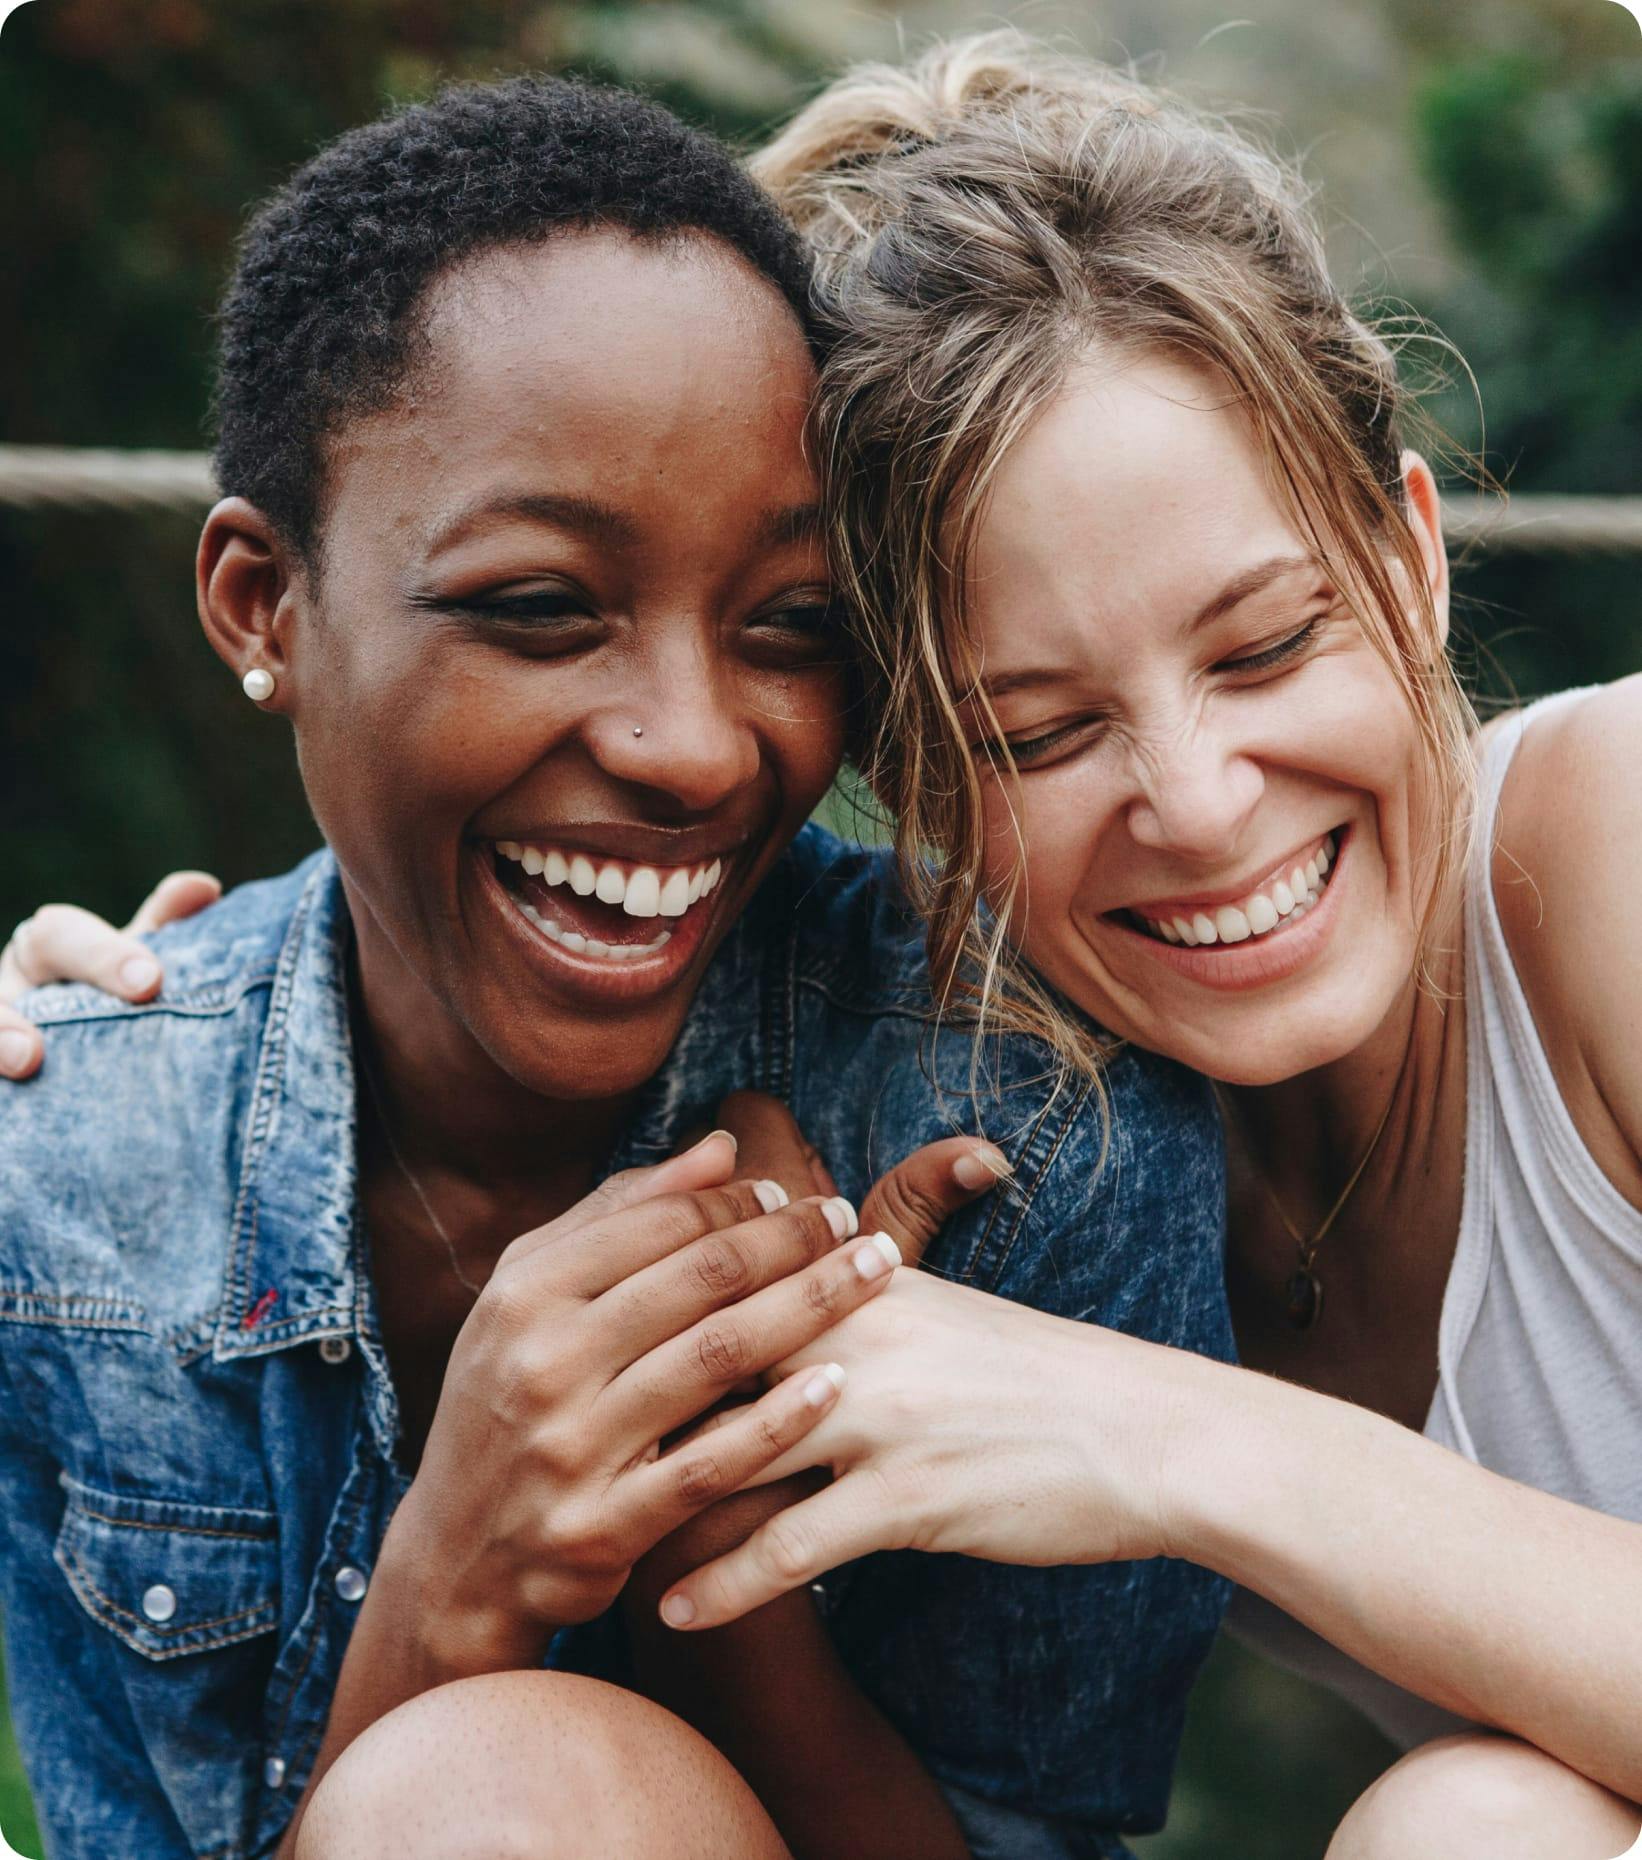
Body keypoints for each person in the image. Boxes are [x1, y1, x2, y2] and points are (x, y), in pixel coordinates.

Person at [0, 71, 1234, 1860]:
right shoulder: (75, 1188)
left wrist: (718, 1555)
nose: (692, 748)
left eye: (790, 628)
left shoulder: (1022, 1121)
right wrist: (454, 1576)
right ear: (264, 605)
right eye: (538, 607)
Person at [636, 34, 1642, 1860]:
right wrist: (125, 1011)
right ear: (911, 788)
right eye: (1034, 734)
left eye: (1262, 646)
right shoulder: (1009, 1127)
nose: (1195, 801)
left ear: (1408, 556)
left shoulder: (1619, 848)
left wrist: (1175, 1443)